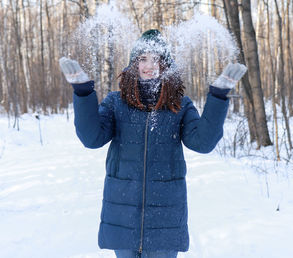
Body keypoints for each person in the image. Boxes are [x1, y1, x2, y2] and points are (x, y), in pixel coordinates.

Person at [59, 29, 247, 258]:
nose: (150, 65)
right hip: (122, 216)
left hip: (165, 221)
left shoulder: (179, 105)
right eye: (143, 59)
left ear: (166, 65)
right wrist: (82, 91)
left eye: (157, 59)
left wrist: (218, 95)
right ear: (133, 64)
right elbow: (91, 138)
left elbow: (203, 143)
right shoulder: (115, 103)